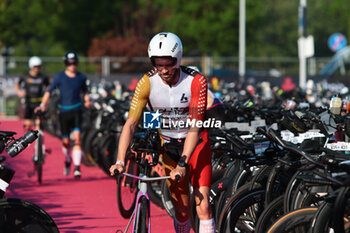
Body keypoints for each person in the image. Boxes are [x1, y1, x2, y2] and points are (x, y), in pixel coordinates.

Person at [110, 32, 215, 233]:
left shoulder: (196, 81)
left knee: (203, 206)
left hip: (196, 146)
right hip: (169, 147)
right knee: (182, 210)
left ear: (178, 59)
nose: (164, 70)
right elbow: (130, 123)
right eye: (159, 64)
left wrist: (183, 162)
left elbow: (194, 126)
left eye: (169, 63)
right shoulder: (147, 82)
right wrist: (120, 161)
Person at [36, 51, 91, 178]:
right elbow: (48, 92)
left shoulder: (81, 77)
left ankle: (77, 168)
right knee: (66, 141)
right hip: (63, 112)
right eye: (69, 63)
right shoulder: (59, 77)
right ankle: (67, 159)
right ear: (66, 63)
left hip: (77, 111)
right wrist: (43, 105)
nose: (72, 65)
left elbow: (85, 91)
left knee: (77, 139)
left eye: (74, 63)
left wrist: (88, 101)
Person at [15, 56, 50, 131]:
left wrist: (47, 96)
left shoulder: (43, 77)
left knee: (39, 126)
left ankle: (39, 142)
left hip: (39, 103)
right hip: (28, 103)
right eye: (35, 66)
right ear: (31, 66)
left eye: (39, 66)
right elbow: (17, 85)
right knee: (27, 126)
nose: (37, 68)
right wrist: (19, 92)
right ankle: (28, 142)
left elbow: (49, 87)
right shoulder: (25, 76)